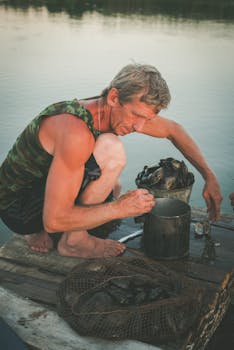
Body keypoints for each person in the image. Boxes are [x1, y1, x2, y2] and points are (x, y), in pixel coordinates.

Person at [0, 63, 223, 258]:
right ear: (114, 97)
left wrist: (209, 176)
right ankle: (74, 242)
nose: (139, 127)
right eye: (136, 115)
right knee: (111, 151)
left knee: (113, 183)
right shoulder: (75, 131)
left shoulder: (108, 111)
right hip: (16, 207)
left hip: (39, 189)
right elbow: (54, 220)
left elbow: (173, 130)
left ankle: (54, 232)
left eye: (146, 119)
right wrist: (120, 208)